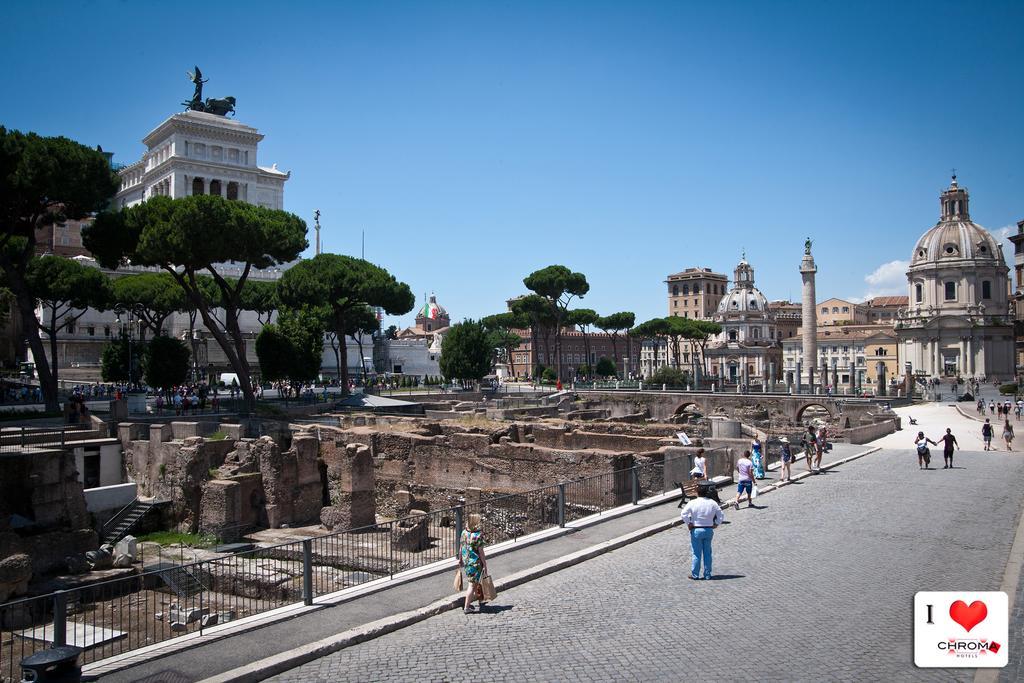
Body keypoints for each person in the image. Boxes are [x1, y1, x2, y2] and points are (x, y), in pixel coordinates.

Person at [680, 482, 724, 580]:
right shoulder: (713, 503)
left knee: (696, 553)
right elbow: (721, 515)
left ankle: (695, 574)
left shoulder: (692, 503)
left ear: (697, 492)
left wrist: (689, 523)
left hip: (696, 529)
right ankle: (707, 574)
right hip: (708, 529)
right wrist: (716, 523)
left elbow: (683, 514)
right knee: (708, 553)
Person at [458, 514, 488, 614]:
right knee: (471, 584)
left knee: (474, 582)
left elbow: (461, 548)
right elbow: (481, 552)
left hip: (467, 562)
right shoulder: (478, 535)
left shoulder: (464, 533)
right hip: (475, 563)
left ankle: (480, 600)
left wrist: (460, 559)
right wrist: (485, 564)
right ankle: (466, 607)